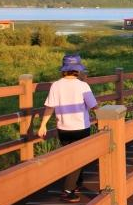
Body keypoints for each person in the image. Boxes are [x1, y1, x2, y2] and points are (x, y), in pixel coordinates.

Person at [38, 54, 98, 203]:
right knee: (79, 157)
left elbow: (50, 107)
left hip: (63, 128)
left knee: (72, 156)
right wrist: (103, 118)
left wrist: (43, 125)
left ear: (64, 70)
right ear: (78, 70)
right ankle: (67, 190)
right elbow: (94, 106)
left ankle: (76, 184)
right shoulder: (83, 86)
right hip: (81, 127)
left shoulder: (56, 85)